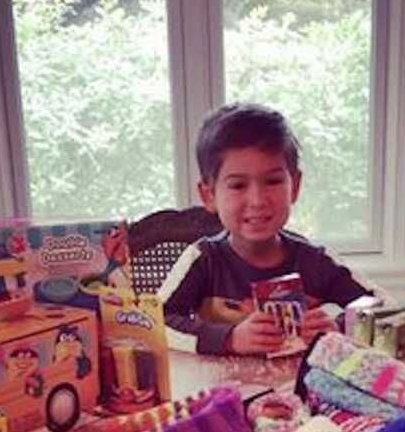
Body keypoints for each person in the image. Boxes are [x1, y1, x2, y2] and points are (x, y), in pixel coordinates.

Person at [160, 103, 373, 355]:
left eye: (272, 181)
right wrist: (229, 338)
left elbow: (381, 308)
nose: (258, 200)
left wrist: (337, 330)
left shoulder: (316, 261)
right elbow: (154, 323)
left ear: (294, 187)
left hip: (299, 391)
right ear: (209, 195)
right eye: (238, 185)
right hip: (221, 392)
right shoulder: (202, 260)